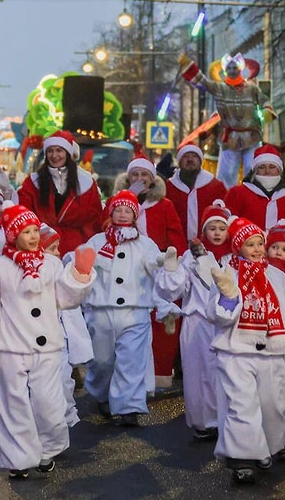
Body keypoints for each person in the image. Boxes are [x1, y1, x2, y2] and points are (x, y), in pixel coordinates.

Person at [0, 202, 96, 478]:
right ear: (13, 235)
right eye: (26, 231)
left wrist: (79, 277)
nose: (34, 236)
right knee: (13, 405)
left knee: (48, 402)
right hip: (11, 348)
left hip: (48, 347)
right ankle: (18, 459)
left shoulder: (51, 264)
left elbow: (63, 299)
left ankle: (47, 448)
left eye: (35, 229)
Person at [207, 216, 285, 484]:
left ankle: (265, 449)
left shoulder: (277, 275)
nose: (257, 249)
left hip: (274, 351)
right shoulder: (227, 272)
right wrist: (228, 295)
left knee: (272, 407)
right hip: (237, 351)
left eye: (260, 243)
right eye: (250, 244)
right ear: (238, 247)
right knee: (241, 407)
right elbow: (218, 316)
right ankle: (242, 459)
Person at [82, 190, 163, 426]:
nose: (123, 214)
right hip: (100, 310)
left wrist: (162, 266)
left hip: (134, 310)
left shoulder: (146, 244)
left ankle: (129, 407)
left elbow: (156, 267)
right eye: (118, 210)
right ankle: (102, 393)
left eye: (128, 211)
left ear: (135, 215)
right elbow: (83, 266)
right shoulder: (97, 242)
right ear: (111, 212)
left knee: (131, 360)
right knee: (102, 360)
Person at [155, 199, 232, 441]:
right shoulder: (190, 256)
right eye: (212, 228)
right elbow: (174, 291)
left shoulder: (234, 255)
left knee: (228, 373)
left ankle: (230, 420)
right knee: (198, 374)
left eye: (222, 228)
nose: (217, 233)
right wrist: (170, 270)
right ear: (203, 230)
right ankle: (203, 422)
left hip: (228, 323)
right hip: (197, 321)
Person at [116, 151, 186, 388]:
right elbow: (107, 229)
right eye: (134, 174)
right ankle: (130, 376)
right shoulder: (119, 203)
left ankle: (160, 373)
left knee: (160, 321)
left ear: (152, 179)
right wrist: (130, 198)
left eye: (144, 174)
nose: (139, 178)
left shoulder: (164, 205)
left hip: (156, 271)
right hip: (127, 272)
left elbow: (176, 237)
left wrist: (170, 262)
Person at [178, 52, 276, 188]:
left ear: (240, 69)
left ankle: (255, 194)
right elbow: (203, 82)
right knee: (227, 173)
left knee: (252, 168)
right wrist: (190, 67)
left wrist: (266, 111)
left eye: (234, 67)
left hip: (252, 136)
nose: (231, 70)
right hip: (230, 138)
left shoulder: (252, 89)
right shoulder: (220, 89)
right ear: (225, 71)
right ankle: (225, 199)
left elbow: (265, 100)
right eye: (229, 68)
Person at [17, 130, 105, 255]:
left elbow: (95, 221)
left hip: (76, 250)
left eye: (59, 150)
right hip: (42, 248)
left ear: (68, 153)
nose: (54, 155)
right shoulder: (33, 182)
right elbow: (24, 214)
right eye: (50, 151)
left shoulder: (86, 183)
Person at [224, 144, 285, 233]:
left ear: (279, 170)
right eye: (262, 167)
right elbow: (225, 226)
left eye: (272, 167)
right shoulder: (237, 193)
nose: (267, 171)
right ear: (255, 171)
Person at [165, 143, 227, 241]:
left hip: (208, 247)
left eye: (194, 156)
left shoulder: (215, 186)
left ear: (200, 161)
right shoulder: (169, 187)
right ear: (179, 162)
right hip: (176, 247)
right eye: (186, 156)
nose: (190, 159)